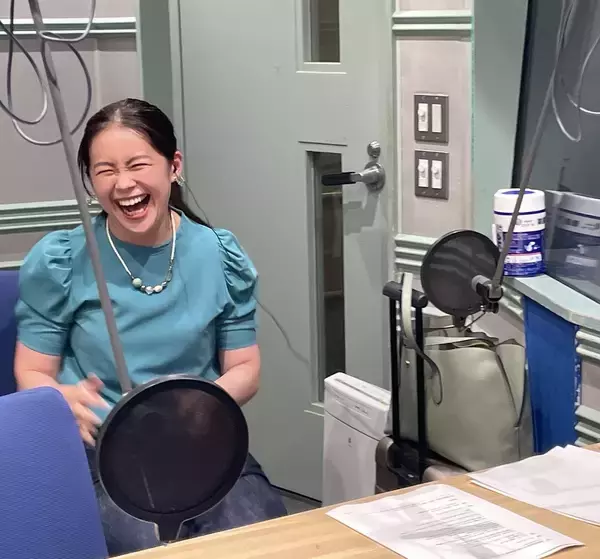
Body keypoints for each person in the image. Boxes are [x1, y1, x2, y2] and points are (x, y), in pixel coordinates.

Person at [13, 98, 287, 555]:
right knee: (153, 547)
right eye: (105, 171)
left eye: (137, 164)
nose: (123, 184)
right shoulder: (63, 260)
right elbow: (32, 371)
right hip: (105, 452)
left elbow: (245, 367)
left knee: (262, 541)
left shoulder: (220, 254)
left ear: (173, 166)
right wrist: (60, 398)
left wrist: (206, 403)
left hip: (200, 444)